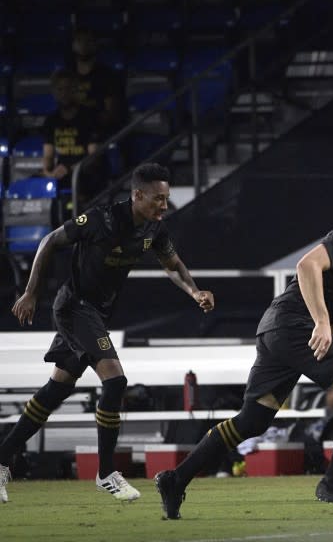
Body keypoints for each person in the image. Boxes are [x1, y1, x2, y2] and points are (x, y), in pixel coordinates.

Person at [154, 174, 333, 519]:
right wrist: (318, 321)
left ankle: (175, 478)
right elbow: (307, 266)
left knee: (253, 419)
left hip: (277, 328)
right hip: (294, 327)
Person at [0, 163, 215, 504]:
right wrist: (30, 293)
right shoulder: (102, 219)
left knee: (57, 389)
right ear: (137, 195)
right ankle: (105, 473)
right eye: (157, 199)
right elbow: (49, 240)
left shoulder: (154, 229)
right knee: (115, 381)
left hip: (97, 312)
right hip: (74, 306)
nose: (163, 205)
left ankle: (1, 458)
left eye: (166, 199)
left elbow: (173, 265)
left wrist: (194, 291)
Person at [41, 68, 107, 209]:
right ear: (54, 92)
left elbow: (94, 157)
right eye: (60, 89)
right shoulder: (51, 121)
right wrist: (49, 172)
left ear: (75, 90)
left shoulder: (89, 117)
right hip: (62, 174)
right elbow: (48, 155)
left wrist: (71, 169)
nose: (64, 93)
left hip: (85, 174)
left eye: (68, 88)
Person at [68, 27, 127, 137]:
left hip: (98, 132)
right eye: (79, 40)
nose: (83, 45)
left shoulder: (108, 75)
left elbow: (110, 113)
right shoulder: (67, 75)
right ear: (73, 45)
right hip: (72, 132)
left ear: (95, 45)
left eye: (88, 41)